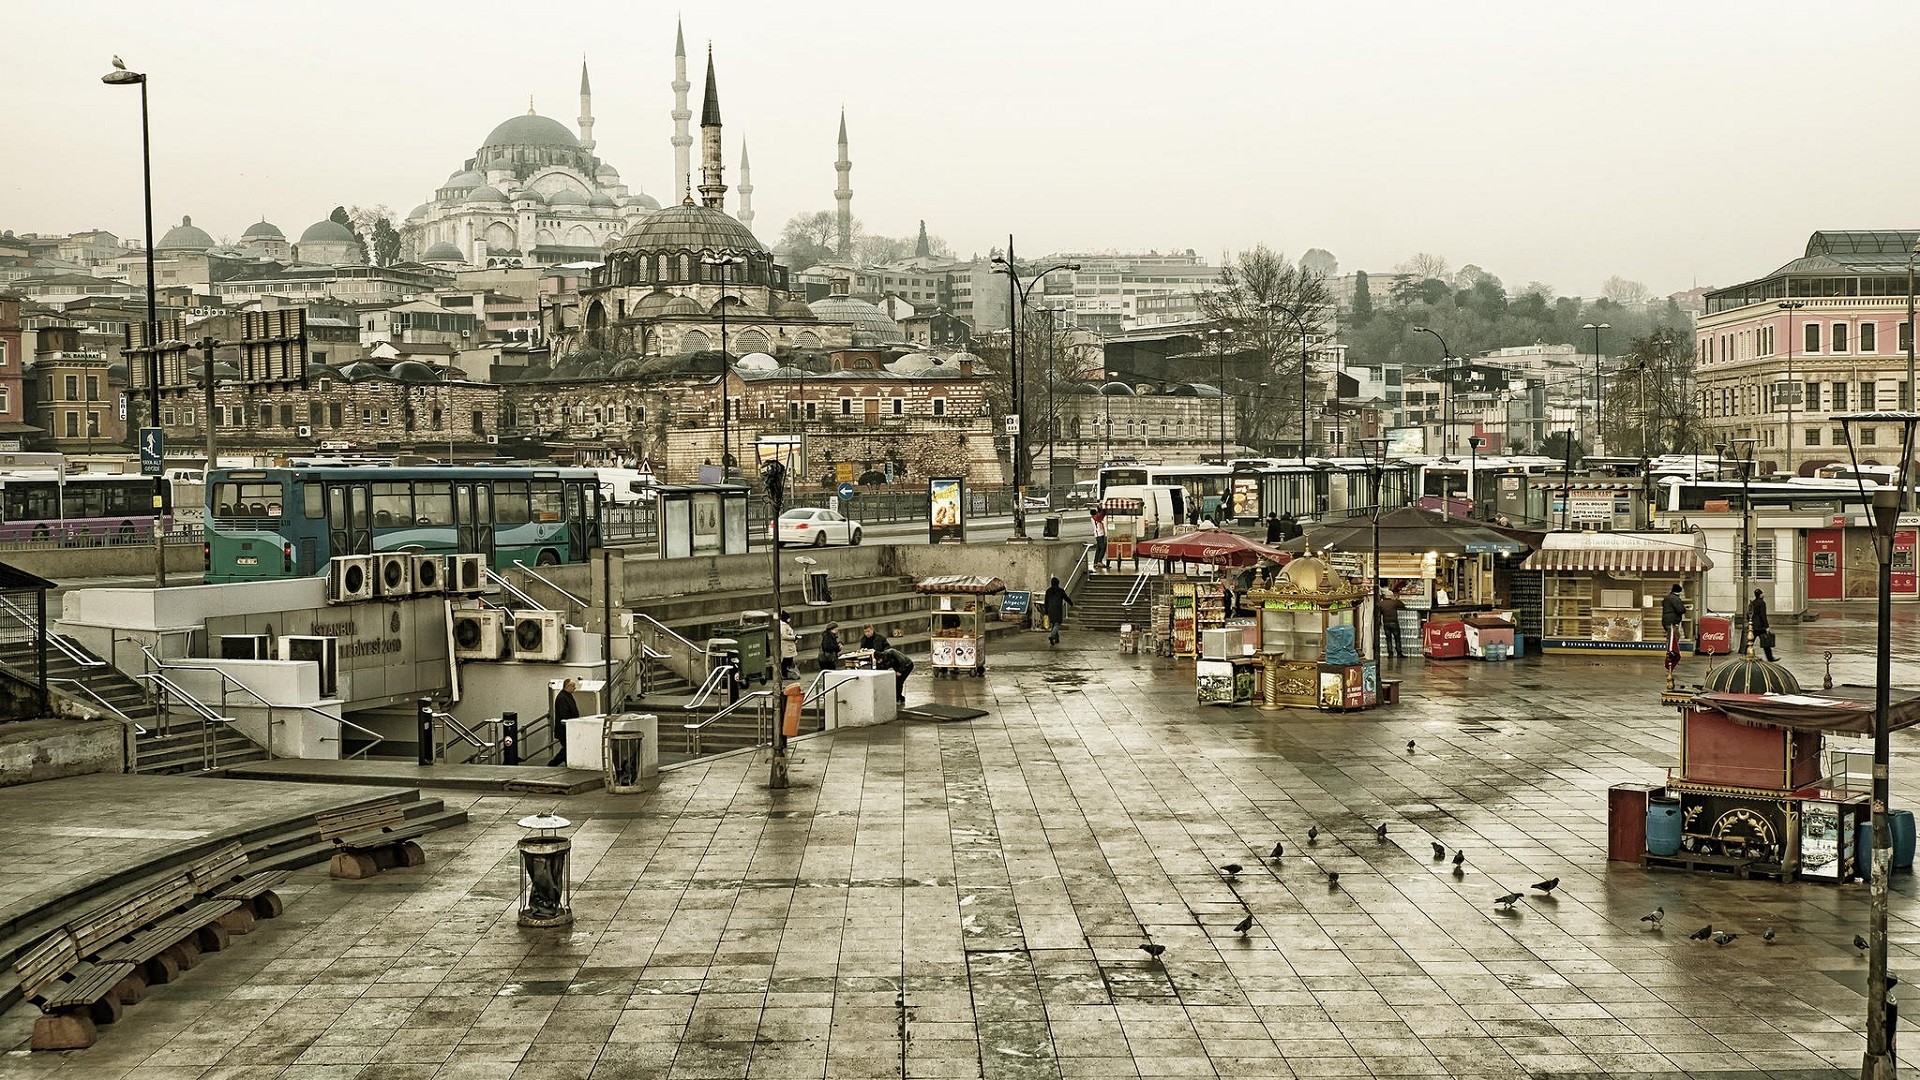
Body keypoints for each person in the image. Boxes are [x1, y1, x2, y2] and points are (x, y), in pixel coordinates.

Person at [546, 678, 581, 766]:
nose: (575, 688)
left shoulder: (565, 696)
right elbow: (564, 714)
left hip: (567, 727)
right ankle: (553, 763)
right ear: (568, 686)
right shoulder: (563, 697)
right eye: (573, 686)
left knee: (567, 748)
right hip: (564, 728)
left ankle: (566, 763)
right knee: (567, 748)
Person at [1376, 588, 1405, 659]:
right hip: (1394, 622)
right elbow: (1402, 605)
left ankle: (1390, 654)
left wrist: (1379, 623)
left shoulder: (1381, 603)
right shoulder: (1394, 602)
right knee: (1397, 638)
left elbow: (1379, 614)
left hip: (1386, 623)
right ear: (1391, 596)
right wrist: (1396, 599)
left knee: (1388, 639)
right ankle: (1399, 653)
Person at [1043, 576, 1072, 646]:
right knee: (1057, 623)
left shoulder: (1048, 591)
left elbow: (1046, 601)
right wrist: (1071, 603)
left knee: (1054, 623)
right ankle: (1052, 636)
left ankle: (1057, 639)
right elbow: (1066, 598)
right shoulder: (1060, 591)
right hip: (1058, 609)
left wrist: (1046, 611)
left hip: (1050, 609)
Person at [1749, 588, 1776, 661]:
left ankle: (1746, 654)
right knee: (1766, 643)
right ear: (1760, 595)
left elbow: (1749, 613)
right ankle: (1770, 658)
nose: (1764, 594)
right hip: (1761, 626)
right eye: (1763, 593)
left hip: (1753, 626)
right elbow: (1763, 615)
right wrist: (1766, 626)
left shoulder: (1753, 602)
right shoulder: (1762, 603)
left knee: (1750, 641)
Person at [778, 611, 798, 679]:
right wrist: (793, 637)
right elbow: (784, 636)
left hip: (789, 646)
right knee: (786, 660)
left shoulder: (785, 625)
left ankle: (786, 673)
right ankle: (784, 674)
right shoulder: (783, 626)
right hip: (787, 646)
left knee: (788, 660)